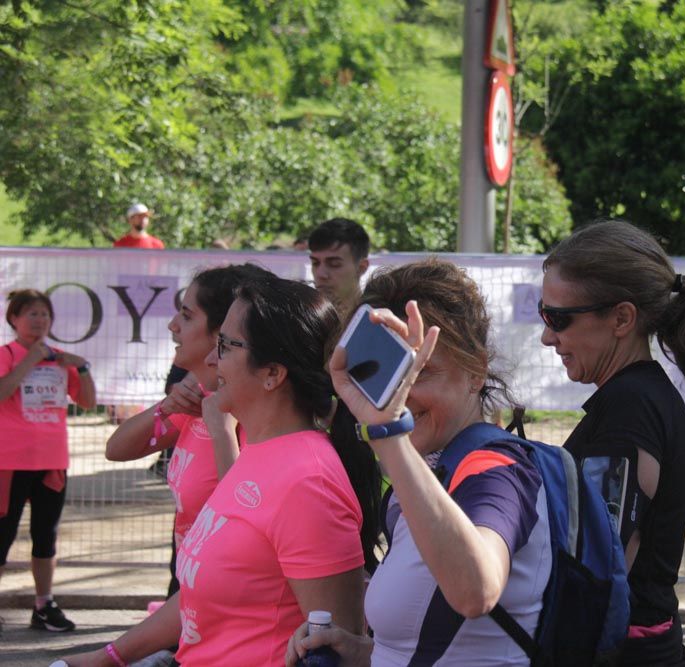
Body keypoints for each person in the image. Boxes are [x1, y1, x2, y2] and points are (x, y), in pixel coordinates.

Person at [61, 276, 381, 666]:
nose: (212, 360)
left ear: (273, 374)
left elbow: (333, 651)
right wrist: (108, 657)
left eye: (226, 346)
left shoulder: (307, 481)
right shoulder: (261, 451)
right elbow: (202, 593)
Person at [287, 259, 550, 667]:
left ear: (476, 370)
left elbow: (475, 592)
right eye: (388, 375)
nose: (400, 395)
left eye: (420, 373)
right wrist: (360, 651)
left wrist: (388, 433)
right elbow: (443, 645)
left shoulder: (494, 470)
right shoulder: (425, 471)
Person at [538, 220, 685, 666]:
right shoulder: (639, 397)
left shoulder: (630, 407)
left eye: (558, 318)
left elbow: (598, 567)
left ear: (621, 318)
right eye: (544, 314)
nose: (547, 335)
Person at [104, 264, 269, 598]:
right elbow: (117, 449)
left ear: (222, 332)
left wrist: (223, 429)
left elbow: (244, 519)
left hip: (227, 597)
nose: (173, 326)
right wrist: (168, 405)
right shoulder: (196, 404)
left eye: (187, 316)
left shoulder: (253, 417)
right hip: (190, 587)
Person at [0, 289, 96, 632]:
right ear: (14, 318)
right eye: (31, 314)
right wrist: (29, 361)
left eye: (44, 314)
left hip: (52, 460)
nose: (39, 321)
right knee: (3, 534)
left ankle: (43, 605)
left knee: (46, 536)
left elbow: (87, 402)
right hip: (8, 462)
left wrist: (82, 367)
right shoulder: (6, 354)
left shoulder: (60, 359)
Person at [307, 217, 370, 313]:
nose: (321, 274)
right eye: (315, 263)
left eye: (334, 264)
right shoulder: (301, 320)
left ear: (361, 267)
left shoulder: (380, 322)